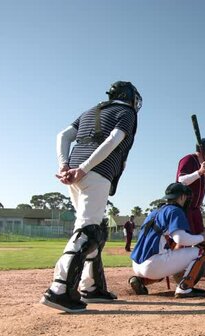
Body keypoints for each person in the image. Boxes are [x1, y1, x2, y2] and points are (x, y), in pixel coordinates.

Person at [41, 81, 142, 313]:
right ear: (129, 97)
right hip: (96, 172)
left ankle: (91, 286)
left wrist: (65, 165)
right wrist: (86, 167)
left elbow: (63, 135)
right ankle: (60, 289)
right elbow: (114, 140)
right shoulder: (126, 112)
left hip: (76, 172)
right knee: (88, 230)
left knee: (95, 228)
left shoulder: (91, 111)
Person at [128, 182, 205, 298]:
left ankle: (141, 280)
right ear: (182, 197)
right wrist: (203, 237)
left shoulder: (154, 212)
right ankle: (184, 288)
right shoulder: (175, 210)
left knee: (167, 250)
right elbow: (181, 238)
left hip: (136, 265)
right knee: (204, 251)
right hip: (153, 265)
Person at [176, 138, 205, 276]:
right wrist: (199, 172)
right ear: (202, 150)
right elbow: (181, 180)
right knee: (185, 241)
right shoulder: (188, 160)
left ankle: (199, 268)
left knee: (202, 240)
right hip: (183, 207)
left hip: (196, 208)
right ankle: (177, 268)